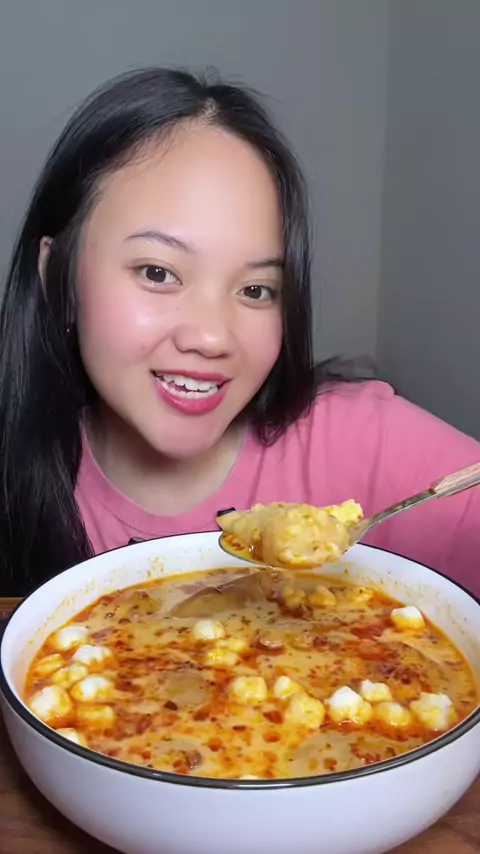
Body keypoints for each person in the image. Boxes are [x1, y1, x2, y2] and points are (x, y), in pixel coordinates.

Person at [0, 67, 479, 599]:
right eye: (158, 272)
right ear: (55, 275)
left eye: (255, 289)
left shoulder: (368, 444)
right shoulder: (13, 476)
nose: (212, 338)